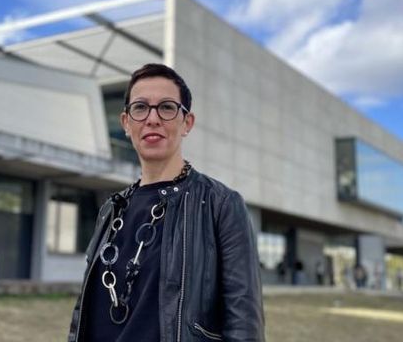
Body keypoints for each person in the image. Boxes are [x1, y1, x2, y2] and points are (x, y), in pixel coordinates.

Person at [67, 63, 265, 342]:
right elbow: (83, 312)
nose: (152, 119)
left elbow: (244, 324)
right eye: (140, 108)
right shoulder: (111, 210)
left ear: (187, 123)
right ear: (126, 123)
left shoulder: (220, 205)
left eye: (167, 107)